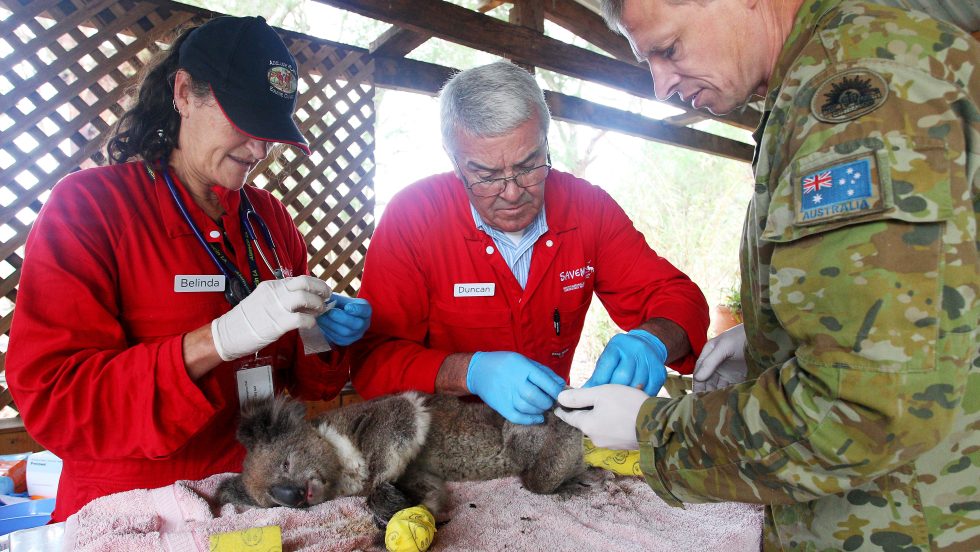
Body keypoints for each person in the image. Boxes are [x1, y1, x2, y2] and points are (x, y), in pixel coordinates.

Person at [556, 0, 978, 549]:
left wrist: (653, 430)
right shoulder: (811, 80)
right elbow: (919, 307)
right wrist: (766, 340)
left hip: (906, 523)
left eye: (667, 49)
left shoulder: (849, 95)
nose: (660, 86)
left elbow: (862, 406)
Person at [5, 16, 372, 522]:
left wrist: (323, 334)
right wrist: (214, 342)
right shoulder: (90, 206)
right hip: (134, 511)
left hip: (258, 498)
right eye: (244, 122)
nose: (259, 150)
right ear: (183, 92)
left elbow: (312, 386)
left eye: (269, 132)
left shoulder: (270, 220)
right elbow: (55, 399)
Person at [350, 61, 709, 425]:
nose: (511, 192)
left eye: (528, 165)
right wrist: (468, 372)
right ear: (455, 161)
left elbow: (680, 298)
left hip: (544, 438)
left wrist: (651, 341)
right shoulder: (412, 216)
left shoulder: (587, 208)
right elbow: (373, 362)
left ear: (545, 142)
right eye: (486, 175)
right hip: (442, 440)